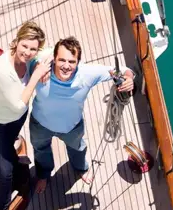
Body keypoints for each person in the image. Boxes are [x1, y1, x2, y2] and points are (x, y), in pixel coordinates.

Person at [29, 36, 134, 193]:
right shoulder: (39, 69)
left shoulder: (88, 74)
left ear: (78, 62)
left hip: (72, 126)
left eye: (72, 62)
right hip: (40, 125)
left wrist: (128, 78)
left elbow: (124, 71)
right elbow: (23, 59)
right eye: (61, 60)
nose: (66, 66)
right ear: (54, 59)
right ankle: (43, 175)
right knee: (40, 150)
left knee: (78, 149)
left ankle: (81, 168)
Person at [0, 21, 52, 210]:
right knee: (4, 171)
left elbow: (50, 51)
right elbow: (16, 105)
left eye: (33, 49)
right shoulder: (1, 70)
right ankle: (2, 209)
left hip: (17, 119)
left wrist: (43, 61)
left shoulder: (31, 57)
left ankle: (13, 149)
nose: (28, 53)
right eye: (25, 46)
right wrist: (36, 76)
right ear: (16, 41)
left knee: (10, 151)